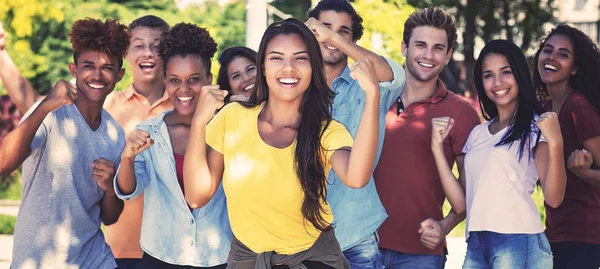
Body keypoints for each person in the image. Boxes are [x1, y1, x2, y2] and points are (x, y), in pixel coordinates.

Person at [183, 18, 381, 268]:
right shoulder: (232, 117)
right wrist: (199, 122)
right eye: (277, 58)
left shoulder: (326, 131)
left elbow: (356, 177)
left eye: (300, 58)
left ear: (314, 67)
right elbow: (196, 196)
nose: (288, 68)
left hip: (312, 260)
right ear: (263, 67)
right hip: (248, 260)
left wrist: (372, 95)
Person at [0, 15, 174, 268]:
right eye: (89, 66)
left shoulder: (114, 134)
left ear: (119, 75)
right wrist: (45, 105)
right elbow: (3, 163)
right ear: (74, 70)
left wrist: (109, 186)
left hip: (95, 259)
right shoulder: (49, 112)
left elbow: (110, 216)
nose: (97, 75)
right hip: (39, 260)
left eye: (107, 68)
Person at [438, 39, 566, 268]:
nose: (497, 82)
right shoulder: (477, 134)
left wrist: (555, 142)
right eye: (488, 75)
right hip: (477, 242)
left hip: (518, 240)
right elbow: (462, 199)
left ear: (519, 74)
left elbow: (554, 198)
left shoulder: (535, 127)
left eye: (505, 72)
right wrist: (436, 149)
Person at [114, 22, 232, 269]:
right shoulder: (150, 131)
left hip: (217, 256)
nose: (184, 89)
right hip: (160, 255)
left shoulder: (228, 127)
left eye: (194, 79)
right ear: (165, 81)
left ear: (209, 79)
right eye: (175, 80)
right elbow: (129, 190)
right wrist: (127, 158)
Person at [373, 7, 480, 268]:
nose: (428, 55)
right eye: (420, 45)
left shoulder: (462, 112)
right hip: (360, 248)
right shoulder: (374, 97)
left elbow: (470, 192)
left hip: (420, 254)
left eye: (438, 48)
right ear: (404, 47)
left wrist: (445, 226)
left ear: (448, 56)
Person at [305, 1, 405, 266]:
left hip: (355, 234)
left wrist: (332, 37)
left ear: (352, 39)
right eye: (324, 27)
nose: (330, 36)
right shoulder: (294, 85)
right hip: (301, 236)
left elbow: (395, 75)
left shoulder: (368, 85)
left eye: (342, 31)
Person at [533, 24, 600, 269]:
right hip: (555, 233)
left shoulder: (577, 107)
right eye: (547, 50)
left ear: (575, 69)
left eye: (563, 54)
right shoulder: (545, 108)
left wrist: (584, 173)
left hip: (583, 237)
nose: (551, 57)